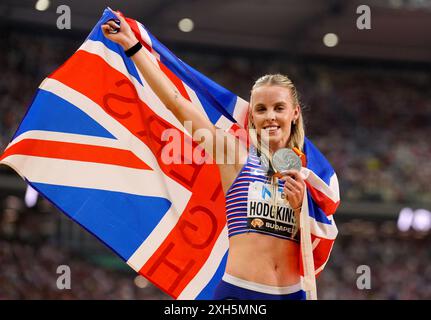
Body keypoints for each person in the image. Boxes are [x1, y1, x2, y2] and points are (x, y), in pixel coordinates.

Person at [102, 12, 309, 300]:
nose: (270, 116)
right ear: (252, 117)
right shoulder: (234, 154)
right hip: (240, 293)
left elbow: (310, 246)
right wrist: (133, 47)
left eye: (278, 108)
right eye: (261, 109)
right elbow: (178, 104)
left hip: (293, 294)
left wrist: (300, 208)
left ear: (294, 113)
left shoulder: (307, 173)